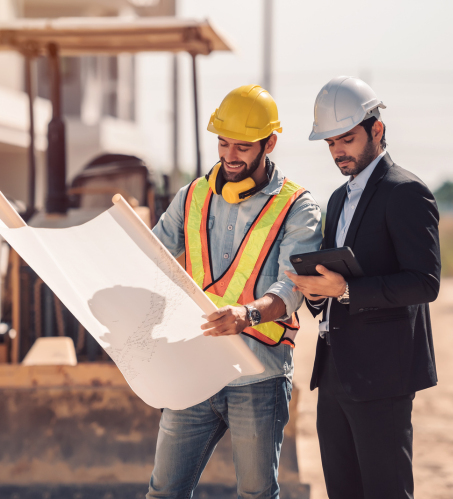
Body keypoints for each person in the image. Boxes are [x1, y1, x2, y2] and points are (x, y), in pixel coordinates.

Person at [146, 84, 323, 499]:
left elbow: (292, 287)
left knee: (256, 495)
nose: (229, 155)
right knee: (163, 493)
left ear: (270, 143)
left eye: (243, 146)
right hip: (194, 369)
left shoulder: (297, 207)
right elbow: (151, 257)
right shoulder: (191, 196)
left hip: (258, 375)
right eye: (223, 143)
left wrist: (248, 314)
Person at [286, 76, 441, 499]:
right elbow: (337, 281)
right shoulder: (336, 199)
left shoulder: (406, 192)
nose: (338, 151)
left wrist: (347, 291)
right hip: (335, 373)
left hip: (384, 378)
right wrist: (317, 293)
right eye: (331, 142)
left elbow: (425, 282)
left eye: (347, 139)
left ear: (377, 130)